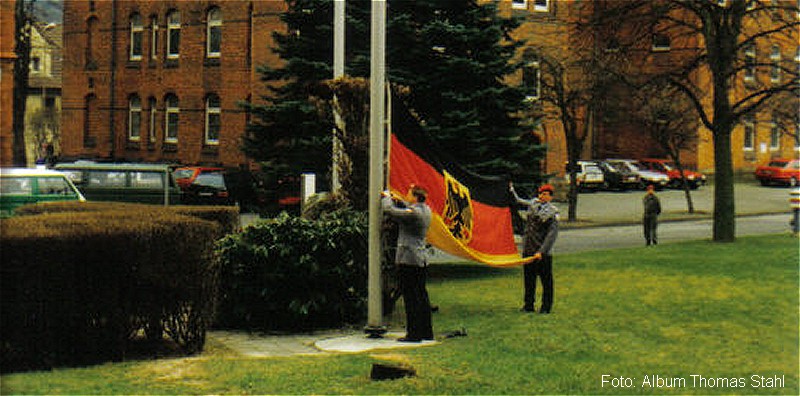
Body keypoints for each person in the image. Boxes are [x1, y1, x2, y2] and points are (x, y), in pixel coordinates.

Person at [382, 185, 434, 342]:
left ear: (415, 197)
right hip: (420, 259)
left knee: (410, 297)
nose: (406, 195)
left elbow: (391, 211)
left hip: (408, 259)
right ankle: (426, 332)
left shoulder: (414, 213)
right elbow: (408, 207)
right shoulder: (426, 210)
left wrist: (386, 198)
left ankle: (414, 334)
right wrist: (400, 200)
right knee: (421, 296)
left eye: (409, 194)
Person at [509, 182, 559, 314]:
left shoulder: (553, 213)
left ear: (551, 197)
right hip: (529, 250)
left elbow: (551, 235)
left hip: (543, 253)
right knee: (529, 280)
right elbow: (518, 201)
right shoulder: (533, 205)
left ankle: (546, 307)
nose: (543, 196)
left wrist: (542, 251)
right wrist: (511, 189)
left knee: (546, 281)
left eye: (546, 194)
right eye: (542, 193)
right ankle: (528, 305)